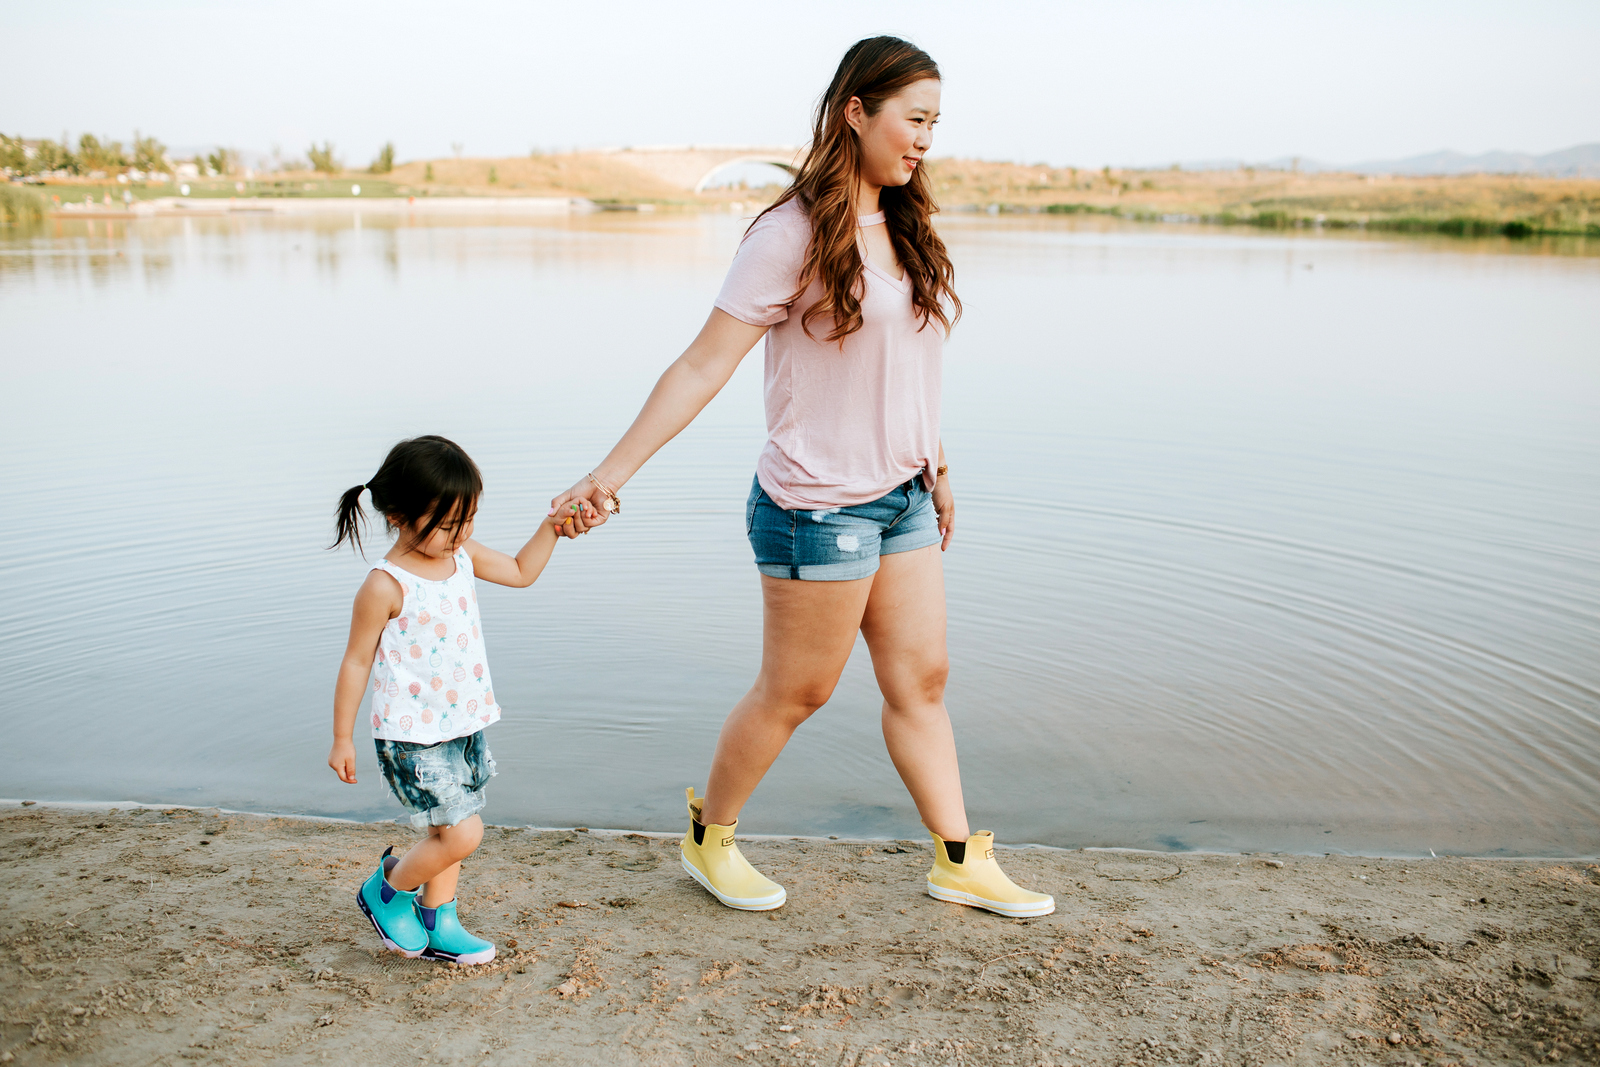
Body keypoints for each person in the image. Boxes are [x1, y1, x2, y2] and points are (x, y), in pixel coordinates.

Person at [547, 37, 1053, 918]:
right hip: (816, 505)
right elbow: (702, 367)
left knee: (921, 680)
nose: (926, 140)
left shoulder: (906, 223)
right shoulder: (787, 233)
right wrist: (607, 475)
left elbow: (911, 368)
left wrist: (937, 466)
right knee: (799, 690)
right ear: (855, 111)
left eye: (936, 123)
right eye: (915, 120)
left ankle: (959, 857)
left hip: (902, 497)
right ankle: (710, 838)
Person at [327, 435, 594, 963]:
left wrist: (552, 529)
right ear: (400, 516)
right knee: (462, 834)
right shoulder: (385, 585)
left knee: (447, 828)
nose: (460, 533)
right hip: (412, 736)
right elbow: (356, 661)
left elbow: (520, 572)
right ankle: (386, 893)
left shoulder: (463, 555)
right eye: (448, 524)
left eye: (467, 519)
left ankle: (439, 919)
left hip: (461, 721)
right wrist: (341, 737)